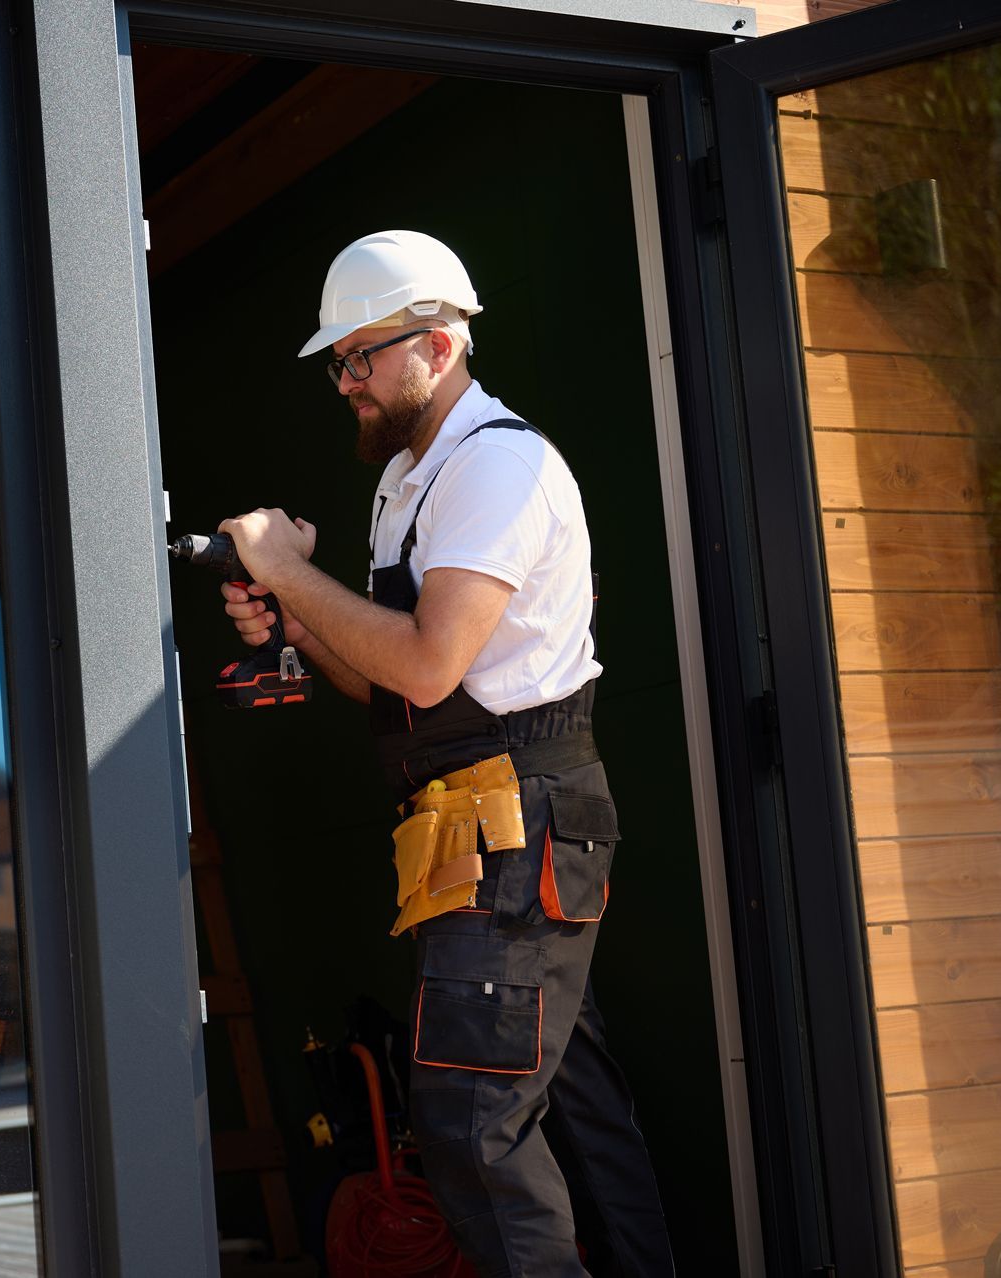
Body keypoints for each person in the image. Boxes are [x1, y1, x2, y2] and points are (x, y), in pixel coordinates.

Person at [215, 230, 674, 1276]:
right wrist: (296, 624)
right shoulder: (406, 484)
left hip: (521, 822)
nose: (347, 383)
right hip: (471, 828)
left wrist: (289, 576)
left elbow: (427, 663)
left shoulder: (498, 466)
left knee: (472, 1126)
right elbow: (385, 685)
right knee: (572, 1113)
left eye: (360, 357)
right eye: (340, 362)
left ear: (438, 342)